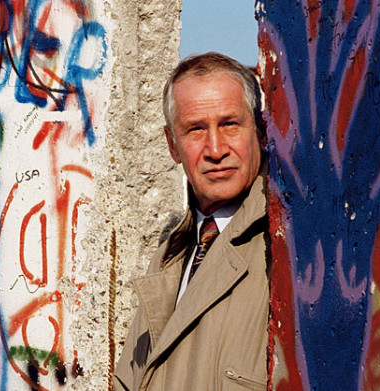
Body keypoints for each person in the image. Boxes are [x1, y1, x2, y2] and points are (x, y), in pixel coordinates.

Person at [114, 53, 269, 390]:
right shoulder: (170, 255)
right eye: (195, 130)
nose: (215, 149)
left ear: (259, 129)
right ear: (172, 145)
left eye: (229, 124)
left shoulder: (281, 248)